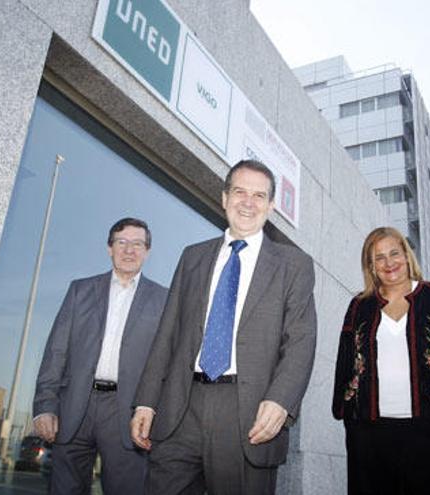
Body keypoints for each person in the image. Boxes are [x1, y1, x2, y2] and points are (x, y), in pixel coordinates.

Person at [130, 160, 317, 494]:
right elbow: (168, 334)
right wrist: (146, 400)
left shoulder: (294, 265)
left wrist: (281, 400)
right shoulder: (192, 257)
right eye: (240, 192)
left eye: (259, 195)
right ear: (224, 198)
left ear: (271, 206)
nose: (248, 202)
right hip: (179, 409)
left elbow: (301, 340)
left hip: (248, 416)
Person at [331, 227, 430, 494]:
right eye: (379, 257)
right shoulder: (359, 306)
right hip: (369, 433)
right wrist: (345, 409)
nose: (389, 263)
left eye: (394, 253)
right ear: (371, 266)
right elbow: (345, 360)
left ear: (407, 256)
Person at [32, 218, 168, 494]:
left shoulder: (164, 299)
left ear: (147, 251)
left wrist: (152, 408)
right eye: (122, 242)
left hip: (128, 413)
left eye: (138, 244)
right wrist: (45, 405)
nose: (129, 250)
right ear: (109, 248)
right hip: (73, 409)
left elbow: (166, 363)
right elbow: (56, 351)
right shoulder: (79, 290)